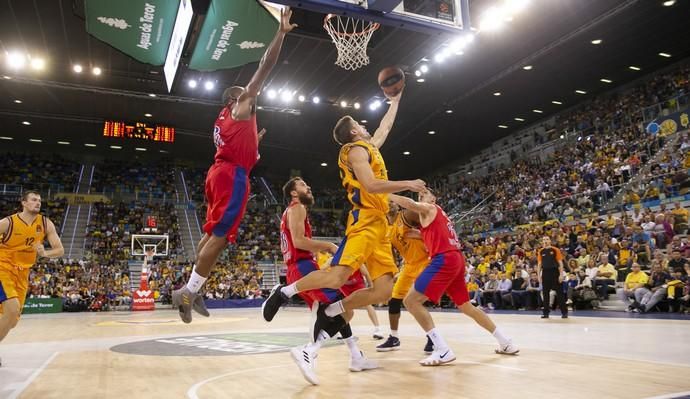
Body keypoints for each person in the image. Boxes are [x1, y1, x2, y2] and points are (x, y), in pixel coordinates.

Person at [262, 88, 427, 340]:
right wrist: (408, 183)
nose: (365, 125)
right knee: (337, 277)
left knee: (383, 291)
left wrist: (395, 103)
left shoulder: (368, 148)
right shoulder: (355, 151)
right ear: (353, 132)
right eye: (360, 125)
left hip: (381, 224)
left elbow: (384, 128)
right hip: (365, 220)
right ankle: (285, 292)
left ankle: (333, 310)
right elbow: (371, 186)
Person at [172, 8, 297, 323]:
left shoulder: (224, 119)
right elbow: (265, 67)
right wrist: (280, 34)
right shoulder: (242, 105)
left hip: (220, 173)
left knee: (213, 232)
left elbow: (240, 148)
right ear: (236, 98)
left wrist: (255, 142)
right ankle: (189, 291)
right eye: (246, 94)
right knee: (221, 236)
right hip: (232, 177)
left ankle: (190, 288)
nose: (252, 97)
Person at [389, 190, 518, 366]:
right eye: (420, 197)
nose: (420, 198)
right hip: (456, 259)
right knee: (466, 306)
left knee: (411, 301)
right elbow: (437, 238)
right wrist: (421, 235)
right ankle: (506, 342)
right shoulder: (438, 216)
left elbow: (410, 205)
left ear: (432, 199)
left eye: (424, 195)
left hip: (444, 259)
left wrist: (385, 191)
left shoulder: (429, 207)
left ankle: (442, 350)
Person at [279, 177, 377, 385]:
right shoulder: (297, 207)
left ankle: (355, 355)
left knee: (339, 310)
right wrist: (329, 246)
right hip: (303, 266)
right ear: (294, 193)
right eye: (304, 185)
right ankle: (308, 351)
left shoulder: (290, 211)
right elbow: (299, 241)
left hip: (296, 268)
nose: (309, 186)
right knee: (345, 310)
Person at [0, 191, 64, 367]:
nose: (38, 203)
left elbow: (59, 250)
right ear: (24, 203)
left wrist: (45, 253)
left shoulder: (45, 223)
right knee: (11, 310)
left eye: (40, 200)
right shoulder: (8, 222)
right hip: (3, 268)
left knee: (11, 321)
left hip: (23, 274)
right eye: (34, 200)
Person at [377, 201, 433, 353]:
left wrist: (422, 235)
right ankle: (394, 337)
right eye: (387, 203)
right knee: (394, 301)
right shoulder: (387, 228)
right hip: (408, 266)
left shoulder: (406, 215)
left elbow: (429, 220)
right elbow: (392, 252)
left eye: (392, 202)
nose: (390, 204)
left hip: (424, 263)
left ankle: (432, 338)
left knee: (418, 302)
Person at [537, 236, 567, 319]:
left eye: (547, 239)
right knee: (545, 294)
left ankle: (564, 312)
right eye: (543, 240)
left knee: (559, 293)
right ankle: (546, 313)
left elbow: (560, 263)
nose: (545, 241)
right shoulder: (540, 251)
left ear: (550, 241)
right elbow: (539, 264)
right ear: (542, 242)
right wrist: (539, 275)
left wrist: (561, 274)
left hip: (555, 272)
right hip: (545, 273)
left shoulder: (555, 249)